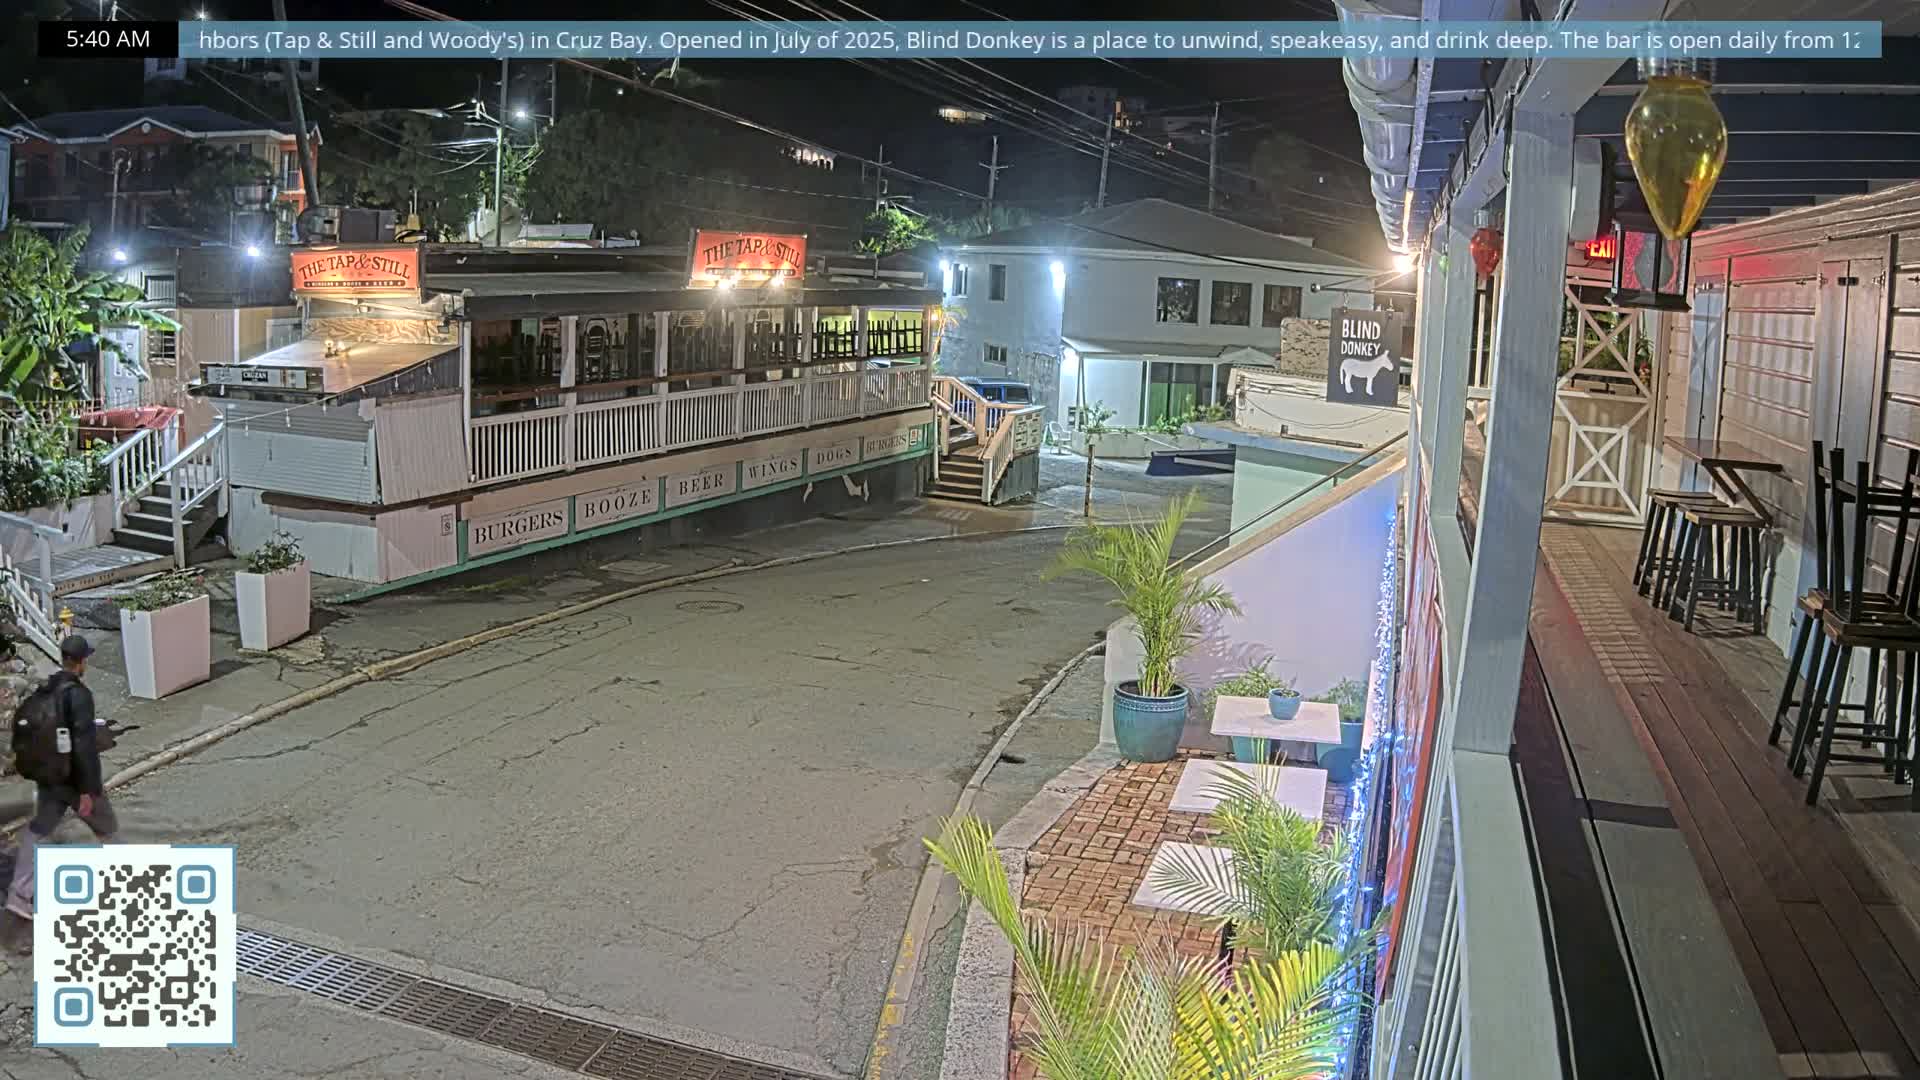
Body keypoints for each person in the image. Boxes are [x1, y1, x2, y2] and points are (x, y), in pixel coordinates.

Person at [3, 635, 117, 949]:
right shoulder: (78, 695)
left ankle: (20, 895)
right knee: (108, 830)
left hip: (49, 777)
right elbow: (83, 747)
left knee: (38, 830)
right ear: (82, 661)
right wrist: (88, 790)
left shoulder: (47, 687)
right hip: (72, 781)